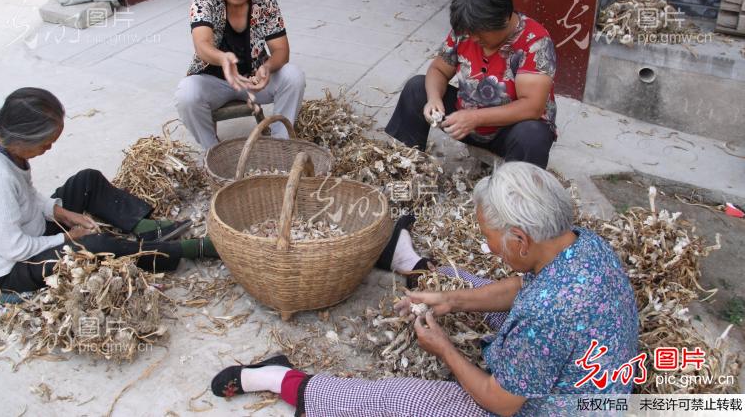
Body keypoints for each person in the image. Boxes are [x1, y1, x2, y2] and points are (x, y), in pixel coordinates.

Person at [211, 162, 639, 416]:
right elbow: (522, 288)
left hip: (548, 406)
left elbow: (502, 402)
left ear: (521, 240)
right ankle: (410, 262)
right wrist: (450, 298)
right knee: (462, 283)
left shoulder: (547, 313)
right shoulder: (579, 242)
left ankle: (280, 379)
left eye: (490, 236)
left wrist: (446, 349)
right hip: (583, 366)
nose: (487, 245)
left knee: (404, 399)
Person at [0, 88, 218, 293]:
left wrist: (61, 213)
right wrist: (67, 239)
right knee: (95, 246)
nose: (48, 148)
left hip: (30, 231)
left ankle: (145, 226)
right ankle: (183, 250)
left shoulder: (3, 145)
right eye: (45, 143)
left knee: (86, 180)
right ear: (24, 137)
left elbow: (27, 195)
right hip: (12, 269)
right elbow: (12, 248)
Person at [386, 0, 558, 168]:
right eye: (469, 32)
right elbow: (438, 70)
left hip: (507, 132)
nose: (473, 38)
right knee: (416, 88)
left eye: (480, 32)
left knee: (533, 135)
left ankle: (517, 192)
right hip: (464, 120)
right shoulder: (468, 31)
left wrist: (475, 118)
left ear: (505, 17)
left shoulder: (535, 42)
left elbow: (532, 107)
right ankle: (403, 166)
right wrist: (434, 99)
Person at [175, 0, 306, 149]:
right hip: (213, 82)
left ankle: (282, 144)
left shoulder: (266, 2)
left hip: (254, 82)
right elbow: (202, 44)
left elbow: (281, 50)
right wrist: (223, 58)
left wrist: (267, 67)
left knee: (293, 76)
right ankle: (212, 151)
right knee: (186, 93)